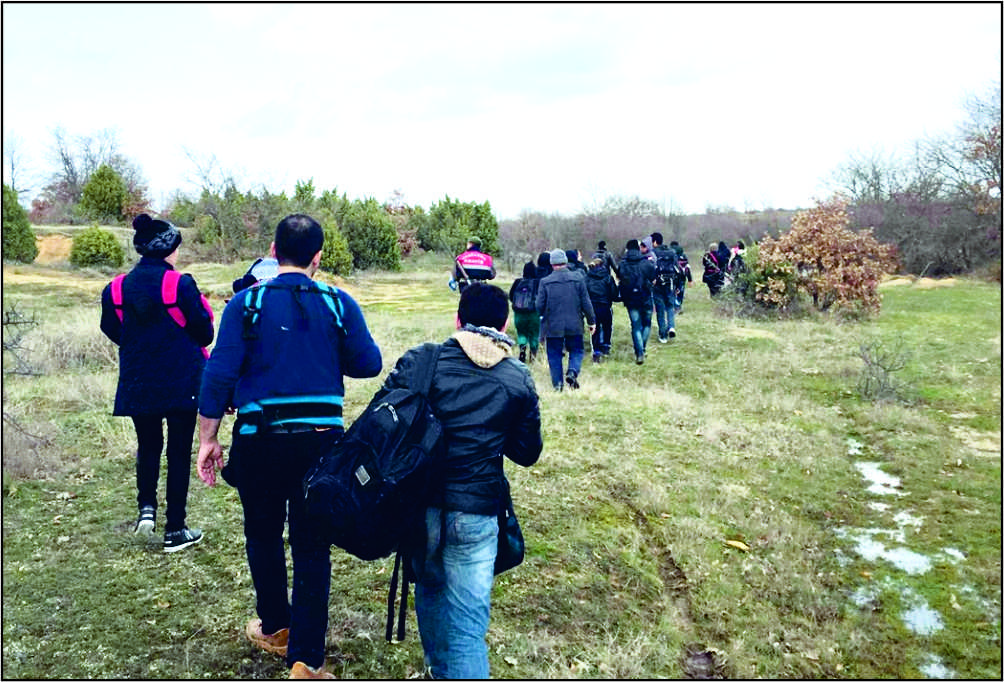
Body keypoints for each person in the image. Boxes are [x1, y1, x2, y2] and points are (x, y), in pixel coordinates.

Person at [196, 214, 382, 679]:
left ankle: (275, 627)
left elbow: (218, 374)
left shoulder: (246, 304)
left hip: (258, 441)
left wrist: (208, 438)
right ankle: (307, 660)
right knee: (313, 547)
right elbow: (369, 364)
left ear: (273, 251)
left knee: (261, 535)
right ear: (318, 257)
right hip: (320, 446)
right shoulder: (340, 304)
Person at [375, 283, 542, 679]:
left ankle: (438, 668)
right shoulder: (517, 378)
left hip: (420, 507)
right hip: (478, 511)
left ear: (458, 318)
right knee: (468, 629)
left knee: (430, 587)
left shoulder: (422, 360)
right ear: (504, 323)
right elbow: (527, 452)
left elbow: (382, 419)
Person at [100, 213, 214, 553]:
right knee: (178, 452)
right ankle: (175, 529)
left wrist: (139, 346)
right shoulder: (180, 284)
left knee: (148, 445)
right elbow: (204, 332)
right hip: (181, 381)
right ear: (170, 249)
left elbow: (111, 328)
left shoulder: (116, 287)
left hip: (139, 380)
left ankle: (145, 512)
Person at [536, 249, 596, 390]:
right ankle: (572, 372)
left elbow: (539, 306)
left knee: (554, 355)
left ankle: (558, 385)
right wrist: (591, 321)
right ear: (566, 262)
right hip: (574, 323)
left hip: (553, 325)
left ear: (552, 264)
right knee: (577, 350)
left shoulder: (545, 282)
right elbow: (586, 303)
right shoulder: (578, 278)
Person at [617, 239, 656, 364]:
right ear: (639, 248)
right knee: (647, 324)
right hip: (645, 298)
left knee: (635, 326)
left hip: (630, 300)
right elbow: (654, 279)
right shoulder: (646, 263)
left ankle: (639, 353)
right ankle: (642, 348)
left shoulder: (622, 264)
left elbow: (619, 278)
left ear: (627, 249)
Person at [585, 257, 618, 362]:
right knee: (607, 326)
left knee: (594, 328)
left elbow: (585, 293)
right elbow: (614, 293)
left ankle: (596, 350)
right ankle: (606, 346)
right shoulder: (608, 277)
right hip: (605, 306)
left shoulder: (587, 278)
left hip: (592, 307)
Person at [508, 261, 541, 363]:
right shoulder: (538, 282)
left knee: (521, 333)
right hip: (534, 313)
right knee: (534, 334)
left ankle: (522, 351)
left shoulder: (518, 282)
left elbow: (511, 296)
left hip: (519, 313)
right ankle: (533, 356)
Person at [650, 232, 679, 343]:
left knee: (660, 310)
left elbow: (651, 269)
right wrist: (677, 285)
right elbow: (677, 269)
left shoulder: (653, 253)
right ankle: (671, 326)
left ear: (655, 242)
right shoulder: (672, 252)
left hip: (657, 285)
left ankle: (663, 336)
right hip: (670, 283)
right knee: (670, 306)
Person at [670, 240, 692, 312]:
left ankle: (674, 306)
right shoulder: (683, 255)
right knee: (680, 292)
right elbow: (687, 268)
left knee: (672, 291)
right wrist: (690, 279)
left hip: (672, 276)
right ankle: (679, 305)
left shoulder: (669, 254)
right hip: (682, 277)